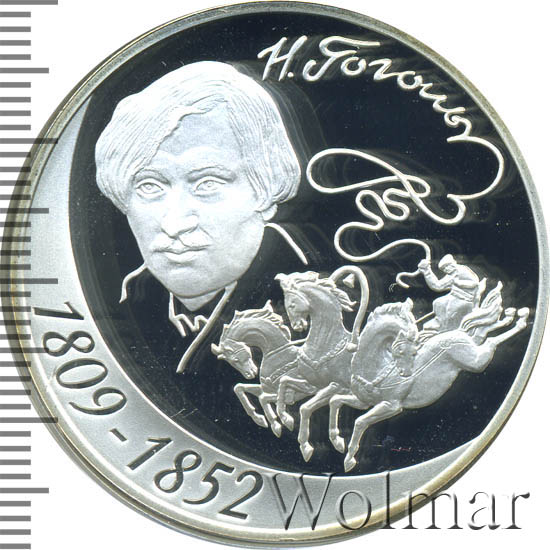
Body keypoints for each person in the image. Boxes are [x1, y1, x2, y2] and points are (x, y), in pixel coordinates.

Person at [95, 61, 308, 372]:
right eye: (150, 186)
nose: (174, 224)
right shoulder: (126, 302)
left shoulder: (310, 302)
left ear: (266, 187)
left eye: (207, 183)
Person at [418, 254, 481, 332]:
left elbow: (475, 283)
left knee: (450, 308)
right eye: (444, 269)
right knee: (438, 303)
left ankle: (450, 327)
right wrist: (427, 271)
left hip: (466, 298)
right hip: (454, 295)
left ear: (453, 263)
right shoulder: (450, 275)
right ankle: (440, 323)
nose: (446, 269)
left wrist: (459, 283)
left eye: (447, 266)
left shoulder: (462, 270)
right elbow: (438, 286)